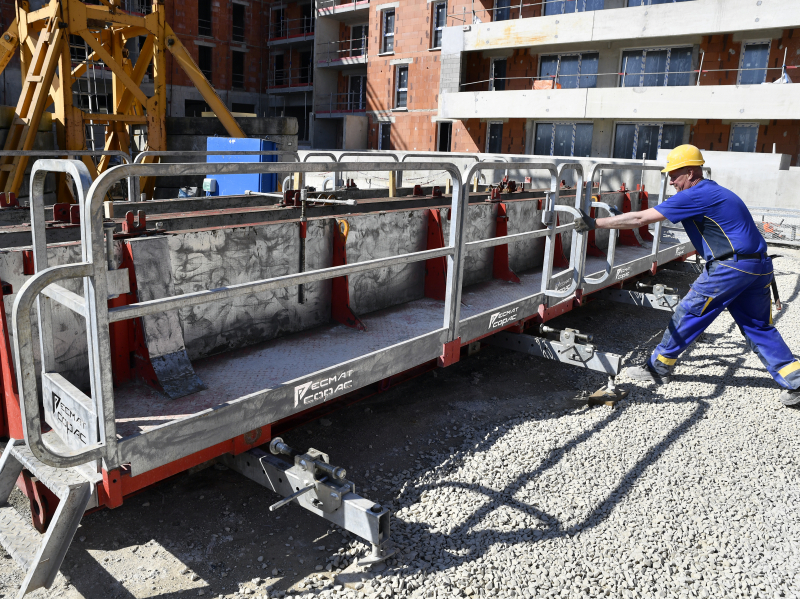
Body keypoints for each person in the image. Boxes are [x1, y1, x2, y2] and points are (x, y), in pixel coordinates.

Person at [574, 144, 800, 407]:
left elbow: (640, 219)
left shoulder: (696, 194)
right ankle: (795, 380)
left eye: (675, 174)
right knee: (757, 326)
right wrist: (618, 217)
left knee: (689, 311)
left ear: (691, 172)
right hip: (758, 267)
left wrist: (594, 223)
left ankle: (658, 368)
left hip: (730, 268)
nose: (671, 180)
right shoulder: (716, 191)